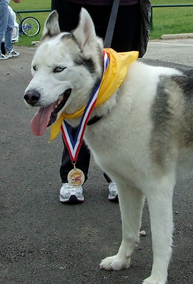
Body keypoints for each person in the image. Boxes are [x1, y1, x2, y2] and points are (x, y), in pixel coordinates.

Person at [51, 0, 141, 203]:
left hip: (123, 4)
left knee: (120, 83)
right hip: (72, 4)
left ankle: (119, 173)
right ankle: (73, 173)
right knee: (72, 82)